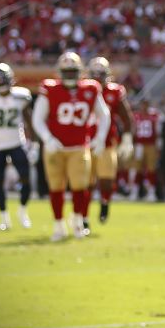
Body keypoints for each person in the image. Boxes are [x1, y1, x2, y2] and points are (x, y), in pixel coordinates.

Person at [30, 52, 110, 241]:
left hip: (79, 147)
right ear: (60, 71)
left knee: (80, 187)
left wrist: (100, 138)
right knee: (56, 187)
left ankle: (77, 221)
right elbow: (37, 118)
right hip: (55, 148)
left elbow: (104, 114)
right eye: (66, 71)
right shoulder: (50, 88)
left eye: (73, 71)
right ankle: (58, 225)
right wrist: (47, 138)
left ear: (80, 71)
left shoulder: (91, 88)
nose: (69, 75)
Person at [0, 63, 33, 231]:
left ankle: (22, 211)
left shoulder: (21, 96)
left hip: (16, 143)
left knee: (26, 179)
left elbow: (29, 120)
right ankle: (4, 218)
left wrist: (33, 143)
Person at [86, 57, 133, 223]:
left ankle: (104, 204)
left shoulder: (114, 91)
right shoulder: (82, 90)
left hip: (107, 142)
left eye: (101, 75)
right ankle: (83, 216)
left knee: (106, 181)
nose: (98, 78)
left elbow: (126, 118)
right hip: (85, 143)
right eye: (95, 75)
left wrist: (127, 139)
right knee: (86, 183)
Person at [133, 100, 161, 200]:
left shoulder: (154, 116)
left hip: (151, 145)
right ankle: (135, 192)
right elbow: (134, 131)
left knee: (151, 169)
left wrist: (158, 146)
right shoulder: (136, 116)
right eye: (142, 105)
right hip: (139, 145)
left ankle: (151, 192)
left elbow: (158, 132)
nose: (144, 107)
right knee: (137, 169)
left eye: (146, 105)